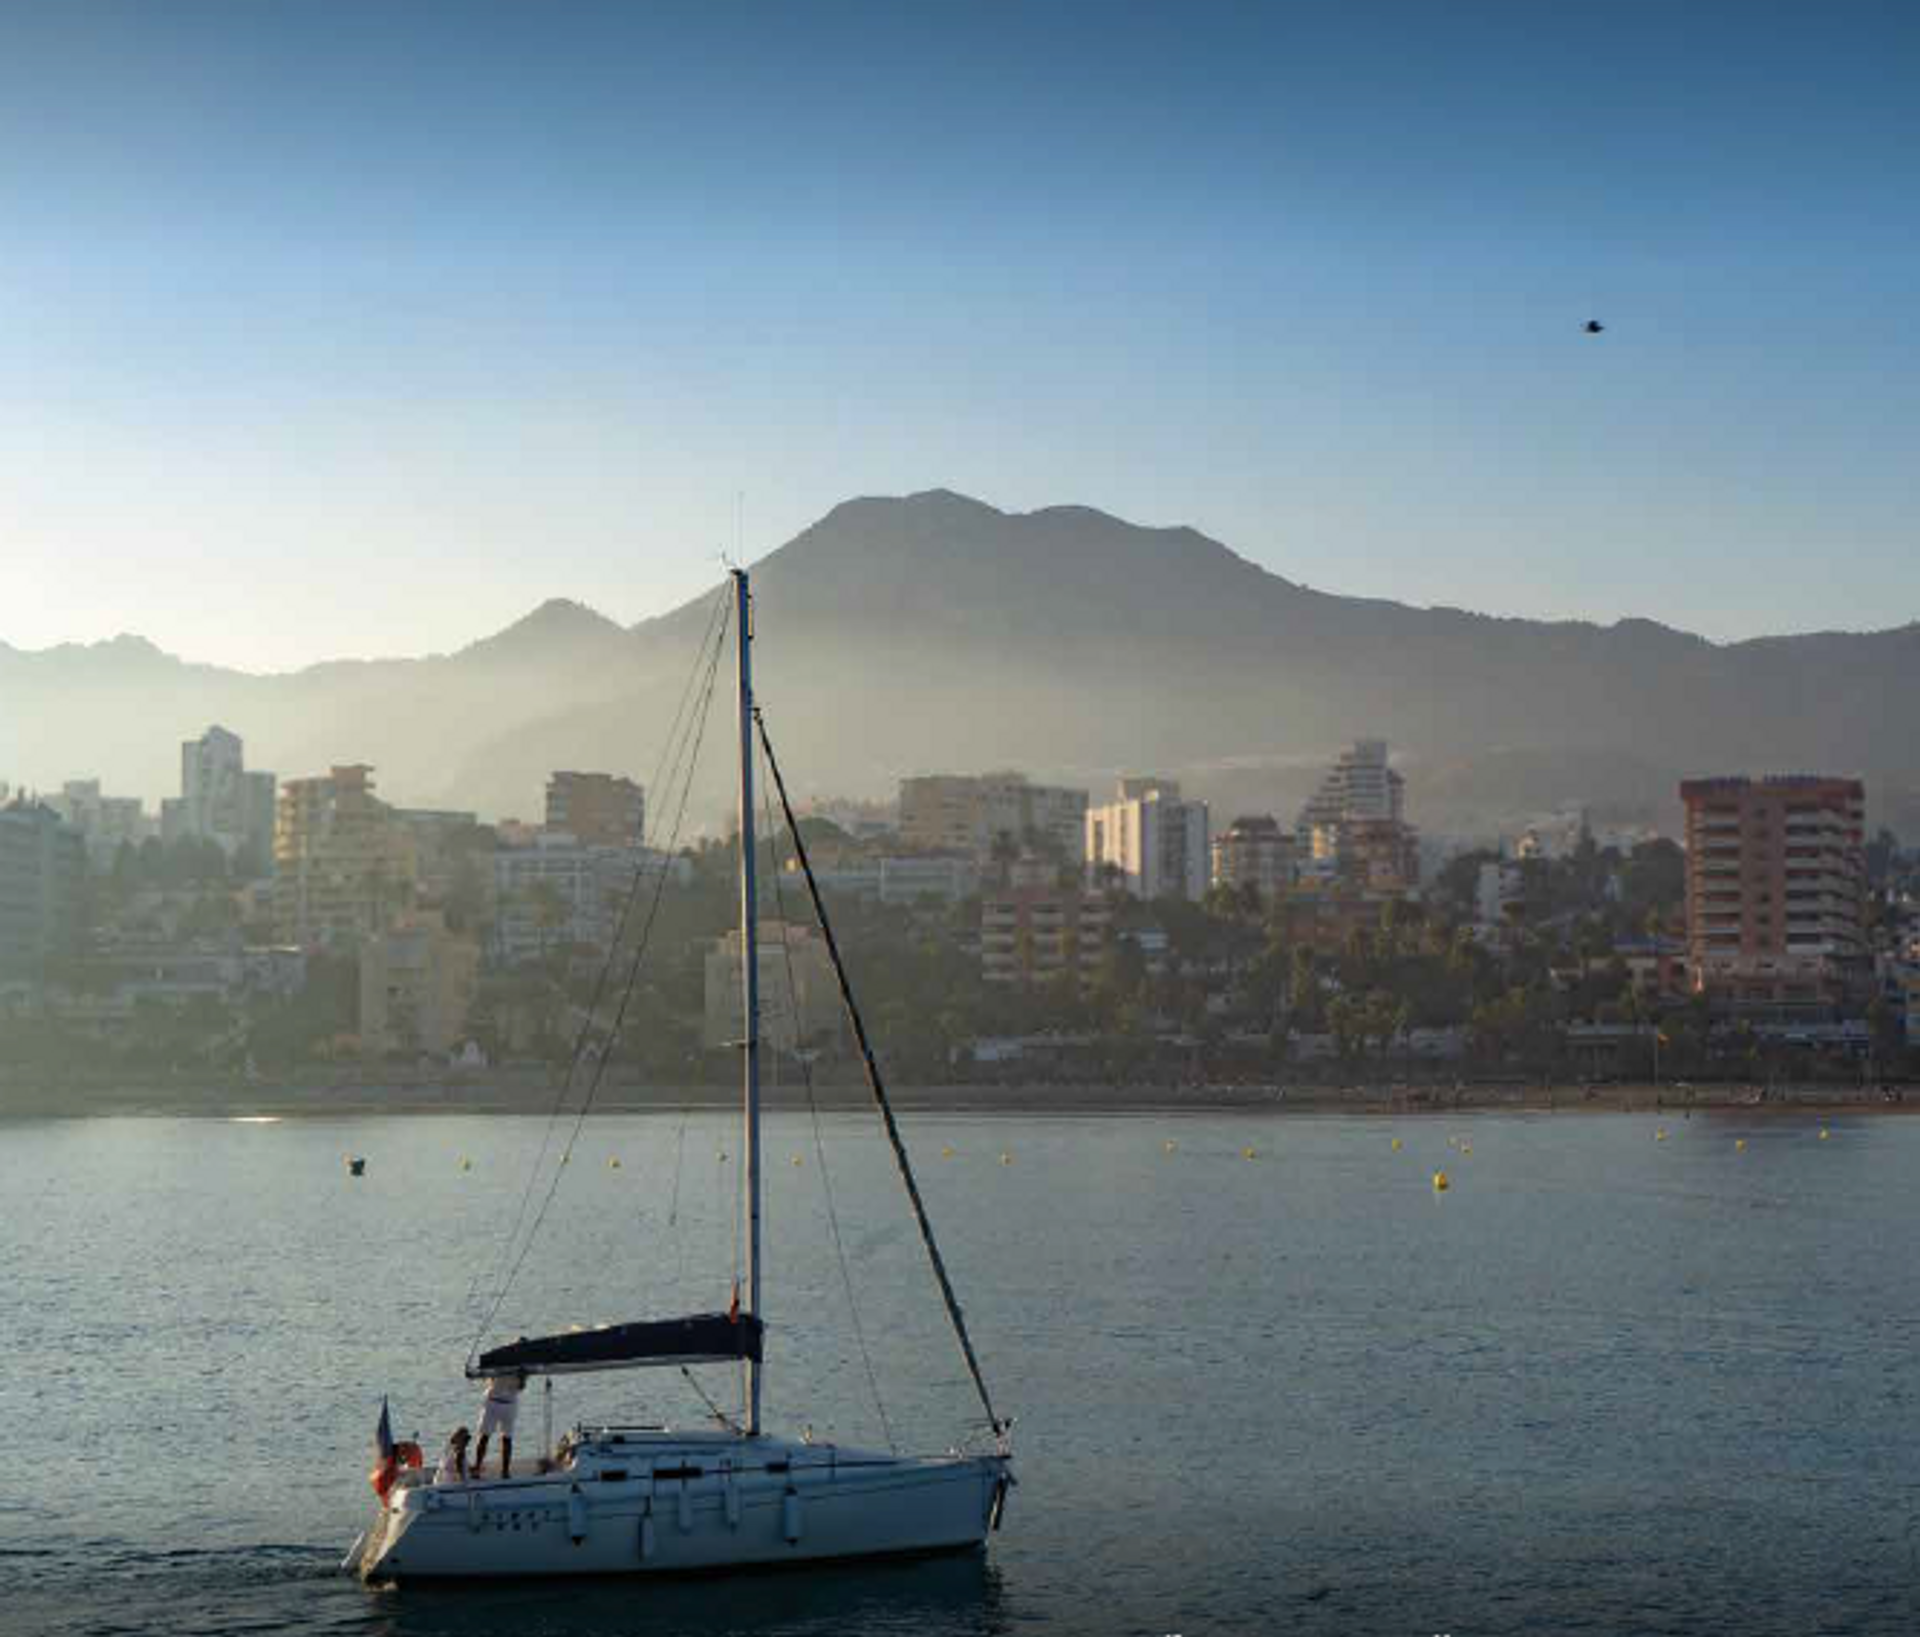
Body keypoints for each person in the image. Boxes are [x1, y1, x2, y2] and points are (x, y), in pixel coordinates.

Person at [472, 1369, 527, 1480]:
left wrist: (522, 1377)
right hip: (494, 1402)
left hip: (507, 1404)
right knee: (485, 1436)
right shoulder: (499, 1360)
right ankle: (477, 1468)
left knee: (506, 1438)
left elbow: (521, 1387)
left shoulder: (521, 1364)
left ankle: (505, 1472)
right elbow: (487, 1377)